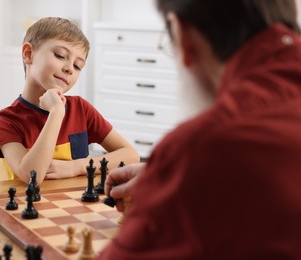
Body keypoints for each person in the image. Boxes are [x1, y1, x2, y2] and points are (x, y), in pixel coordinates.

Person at [99, 0, 301, 259]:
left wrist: (178, 172)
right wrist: (170, 176)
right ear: (293, 10)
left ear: (181, 34)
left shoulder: (203, 147)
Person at [0, 17, 139, 185]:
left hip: (74, 204)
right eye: (60, 55)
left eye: (78, 66)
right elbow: (31, 176)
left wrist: (76, 167)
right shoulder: (5, 122)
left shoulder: (81, 109)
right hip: (28, 207)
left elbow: (131, 155)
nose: (70, 68)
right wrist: (56, 113)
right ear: (28, 54)